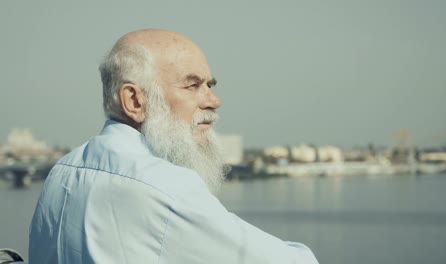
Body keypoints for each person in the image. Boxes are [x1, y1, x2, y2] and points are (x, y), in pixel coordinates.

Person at [28, 29, 319, 264]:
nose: (213, 100)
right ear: (135, 101)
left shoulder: (63, 170)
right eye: (193, 86)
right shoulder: (164, 187)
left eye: (210, 85)